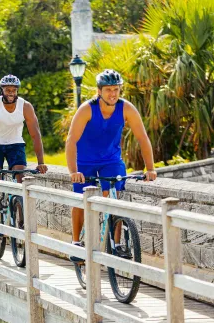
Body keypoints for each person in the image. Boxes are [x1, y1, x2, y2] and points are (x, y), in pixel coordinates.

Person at [65, 69, 157, 262]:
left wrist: (150, 169)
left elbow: (142, 138)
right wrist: (74, 171)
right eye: (108, 90)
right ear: (99, 91)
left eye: (116, 89)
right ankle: (75, 243)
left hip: (111, 160)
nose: (113, 94)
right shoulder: (87, 109)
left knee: (113, 199)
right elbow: (71, 140)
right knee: (81, 199)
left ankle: (116, 244)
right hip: (85, 161)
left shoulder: (126, 108)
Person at [0, 74, 48, 223]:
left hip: (15, 145)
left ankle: (22, 220)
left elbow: (35, 135)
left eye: (14, 90)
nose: (11, 93)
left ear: (17, 91)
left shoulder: (26, 107)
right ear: (2, 90)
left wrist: (41, 161)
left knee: (21, 177)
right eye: (7, 90)